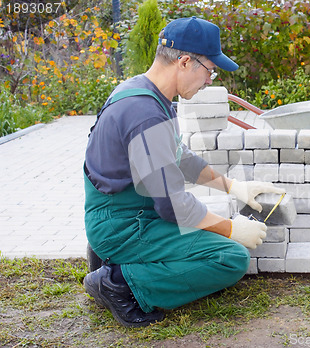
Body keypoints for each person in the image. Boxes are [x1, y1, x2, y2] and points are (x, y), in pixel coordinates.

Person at [83, 16, 285, 327]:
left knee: (207, 225)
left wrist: (233, 187)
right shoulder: (144, 113)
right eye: (210, 71)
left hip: (126, 215)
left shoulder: (146, 93)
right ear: (186, 61)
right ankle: (119, 282)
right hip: (124, 225)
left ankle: (115, 259)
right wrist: (232, 229)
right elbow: (173, 206)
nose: (210, 80)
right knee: (229, 258)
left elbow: (181, 158)